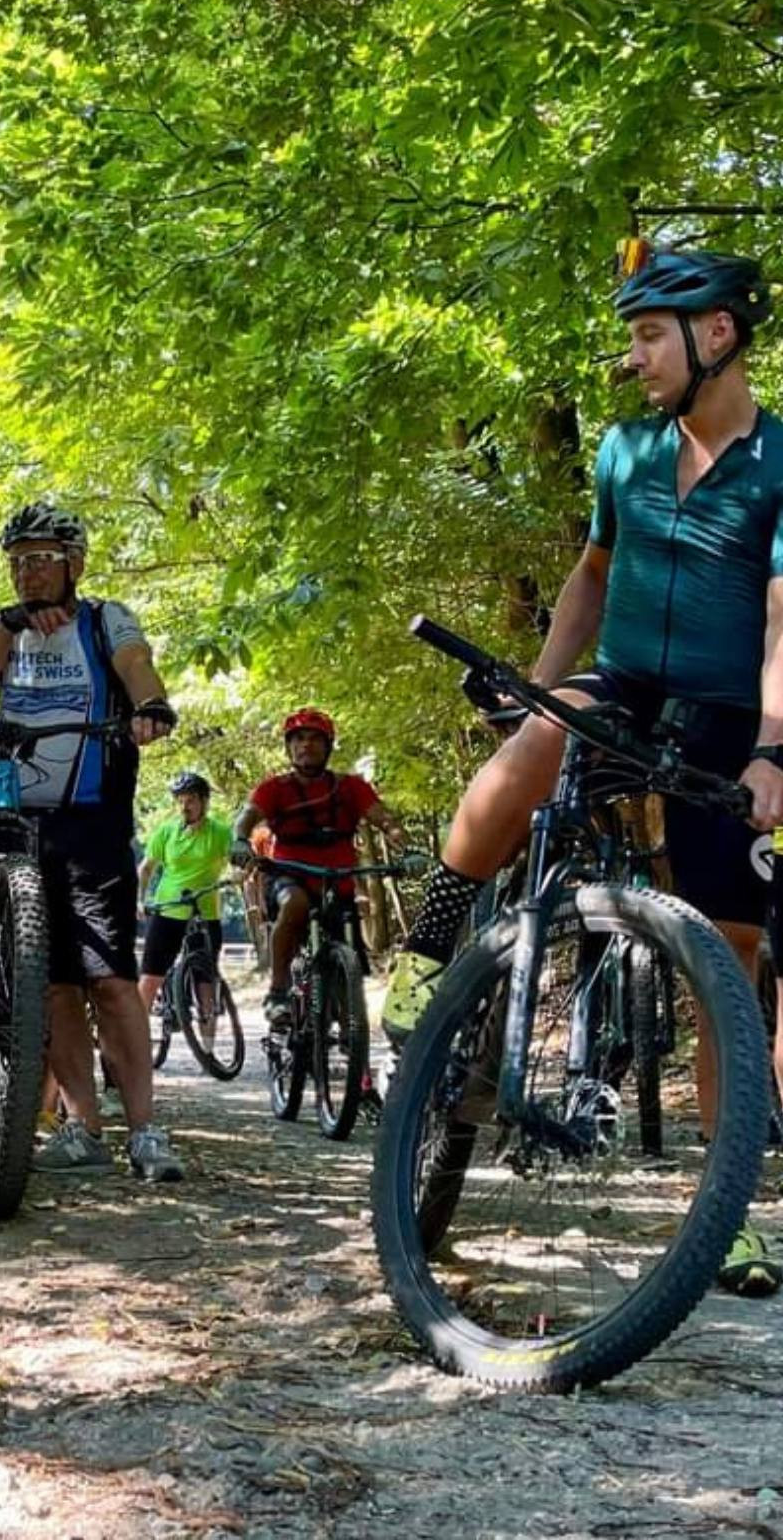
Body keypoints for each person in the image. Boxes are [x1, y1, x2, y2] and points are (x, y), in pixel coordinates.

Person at [379, 243, 783, 1297]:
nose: (633, 357)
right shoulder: (624, 450)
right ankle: (430, 945)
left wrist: (770, 748)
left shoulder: (779, 459)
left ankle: (730, 1208)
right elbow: (591, 575)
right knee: (536, 742)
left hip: (728, 716)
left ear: (718, 332)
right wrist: (540, 685)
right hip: (627, 685)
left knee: (730, 960)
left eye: (650, 336)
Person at [0, 501, 183, 1180]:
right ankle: (83, 1126)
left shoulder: (106, 619)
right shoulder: (4, 627)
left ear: (74, 563)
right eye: (17, 562)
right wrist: (8, 624)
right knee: (50, 987)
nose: (28, 572)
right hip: (19, 822)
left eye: (42, 559)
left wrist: (150, 705)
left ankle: (146, 1131)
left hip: (92, 819)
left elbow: (137, 665)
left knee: (109, 980)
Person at [233, 709, 406, 1030]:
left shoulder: (351, 787)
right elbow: (246, 817)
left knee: (347, 954)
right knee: (295, 904)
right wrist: (240, 841)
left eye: (315, 739)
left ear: (328, 746)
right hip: (288, 874)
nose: (306, 745)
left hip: (338, 880)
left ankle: (348, 1023)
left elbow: (383, 819)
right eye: (298, 739)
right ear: (288, 747)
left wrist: (405, 847)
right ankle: (278, 992)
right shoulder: (273, 789)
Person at [137, 772, 237, 1030]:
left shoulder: (220, 833)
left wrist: (239, 874)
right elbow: (146, 869)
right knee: (150, 977)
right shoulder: (167, 831)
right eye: (180, 801)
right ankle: (135, 1039)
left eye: (190, 800)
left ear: (204, 801)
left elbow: (237, 860)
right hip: (168, 909)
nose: (184, 806)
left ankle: (208, 1043)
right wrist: (141, 900)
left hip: (205, 911)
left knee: (205, 978)